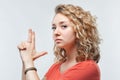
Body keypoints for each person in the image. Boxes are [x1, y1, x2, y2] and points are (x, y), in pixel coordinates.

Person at [17, 4, 101, 80]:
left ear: (80, 30)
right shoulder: (56, 67)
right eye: (54, 28)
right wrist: (25, 61)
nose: (56, 32)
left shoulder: (88, 68)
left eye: (63, 26)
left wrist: (29, 62)